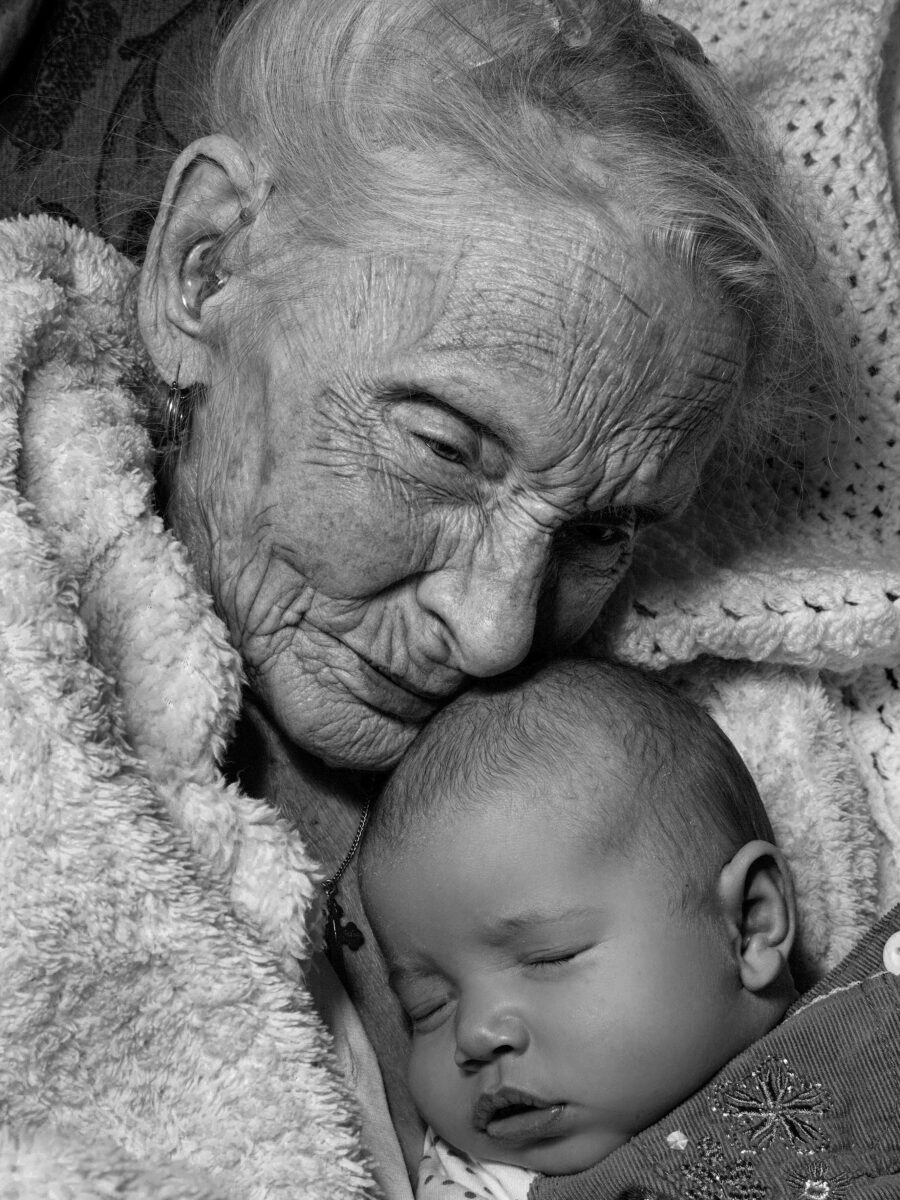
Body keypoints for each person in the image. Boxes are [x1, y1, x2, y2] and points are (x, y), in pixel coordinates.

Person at [2, 0, 900, 1197]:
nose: (498, 629)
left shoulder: (746, 748)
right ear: (206, 266)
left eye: (602, 530)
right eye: (447, 448)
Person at [360, 658, 900, 1200]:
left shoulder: (878, 1021)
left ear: (749, 924)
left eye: (550, 956)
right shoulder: (476, 1182)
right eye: (427, 1007)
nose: (474, 1033)